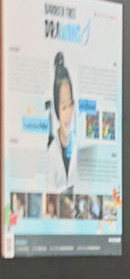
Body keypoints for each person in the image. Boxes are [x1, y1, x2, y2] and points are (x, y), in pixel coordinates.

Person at [47, 52, 76, 193]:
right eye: (64, 107)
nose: (68, 112)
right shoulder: (51, 152)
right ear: (57, 109)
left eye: (70, 105)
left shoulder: (78, 146)